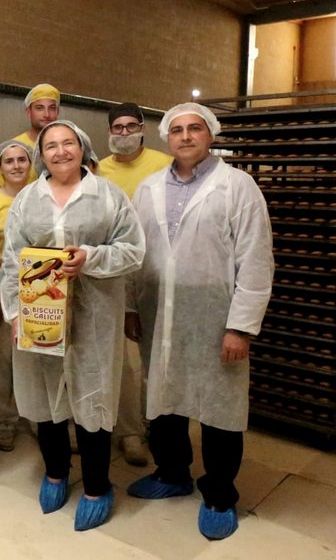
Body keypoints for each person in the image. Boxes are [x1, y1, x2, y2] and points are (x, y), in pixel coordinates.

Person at [126, 102, 273, 541]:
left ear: (210, 134)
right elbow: (136, 253)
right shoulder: (149, 188)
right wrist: (131, 306)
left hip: (215, 318)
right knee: (163, 395)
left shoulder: (237, 186)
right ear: (166, 138)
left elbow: (256, 259)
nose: (186, 136)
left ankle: (220, 493)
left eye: (195, 128)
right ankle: (172, 472)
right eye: (177, 130)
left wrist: (240, 327)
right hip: (158, 312)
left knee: (219, 405)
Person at [0, 120, 145, 531]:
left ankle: (97, 487)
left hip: (95, 317)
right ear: (41, 155)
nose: (61, 151)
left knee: (93, 399)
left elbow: (133, 250)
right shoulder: (28, 199)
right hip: (40, 316)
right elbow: (12, 261)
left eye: (68, 143)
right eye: (51, 146)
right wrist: (15, 314)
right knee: (47, 400)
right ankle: (55, 473)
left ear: (82, 148)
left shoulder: (108, 196)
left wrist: (90, 258)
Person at [97, 102, 172, 467]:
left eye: (131, 126)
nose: (124, 133)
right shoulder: (99, 169)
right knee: (121, 360)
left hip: (153, 267)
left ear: (143, 128)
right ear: (110, 131)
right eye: (118, 127)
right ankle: (126, 428)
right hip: (110, 269)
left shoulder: (163, 165)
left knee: (154, 359)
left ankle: (146, 428)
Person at [0, 139, 32, 452]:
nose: (16, 166)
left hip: (37, 293)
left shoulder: (40, 195)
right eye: (9, 161)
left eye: (22, 160)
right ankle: (2, 421)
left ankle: (37, 418)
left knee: (35, 362)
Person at [0, 83, 60, 187]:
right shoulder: (14, 147)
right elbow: (6, 192)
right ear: (28, 112)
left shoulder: (65, 148)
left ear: (58, 112)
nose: (47, 114)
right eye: (39, 108)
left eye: (52, 108)